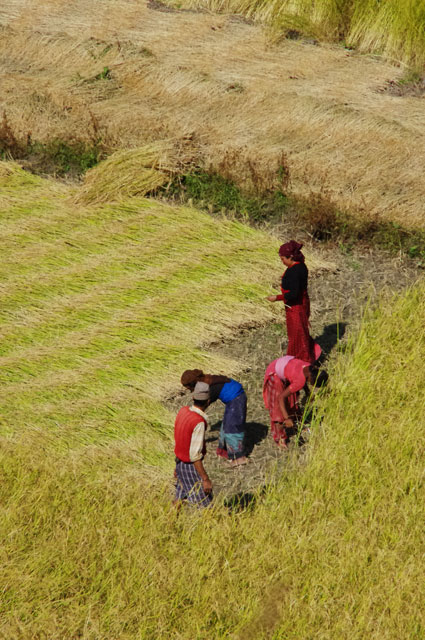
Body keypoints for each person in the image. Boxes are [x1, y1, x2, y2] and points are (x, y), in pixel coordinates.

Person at [267, 240, 321, 364]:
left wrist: (277, 298)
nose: (282, 262)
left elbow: (294, 293)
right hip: (303, 303)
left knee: (297, 335)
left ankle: (302, 361)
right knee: (300, 332)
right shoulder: (301, 266)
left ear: (290, 256)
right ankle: (304, 356)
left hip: (296, 307)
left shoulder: (294, 272)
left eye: (282, 259)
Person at [180, 369, 248, 467]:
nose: (190, 390)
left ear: (193, 384)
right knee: (226, 425)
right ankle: (225, 452)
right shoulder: (204, 380)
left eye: (189, 388)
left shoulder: (207, 387)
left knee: (232, 429)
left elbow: (201, 406)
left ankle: (239, 458)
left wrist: (191, 421)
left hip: (237, 398)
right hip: (232, 398)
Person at [263, 355, 317, 448]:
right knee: (278, 412)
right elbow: (281, 398)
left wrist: (308, 393)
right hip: (274, 374)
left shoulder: (309, 367)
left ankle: (296, 424)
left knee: (292, 401)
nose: (311, 384)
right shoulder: (299, 380)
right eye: (312, 382)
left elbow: (302, 381)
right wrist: (286, 418)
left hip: (284, 368)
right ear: (310, 377)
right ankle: (280, 438)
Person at [173, 381, 213, 508]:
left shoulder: (183, 411)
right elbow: (194, 455)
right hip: (189, 466)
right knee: (204, 505)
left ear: (193, 397)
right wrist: (205, 479)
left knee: (179, 497)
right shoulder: (198, 422)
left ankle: (169, 523)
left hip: (179, 463)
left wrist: (177, 468)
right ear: (208, 401)